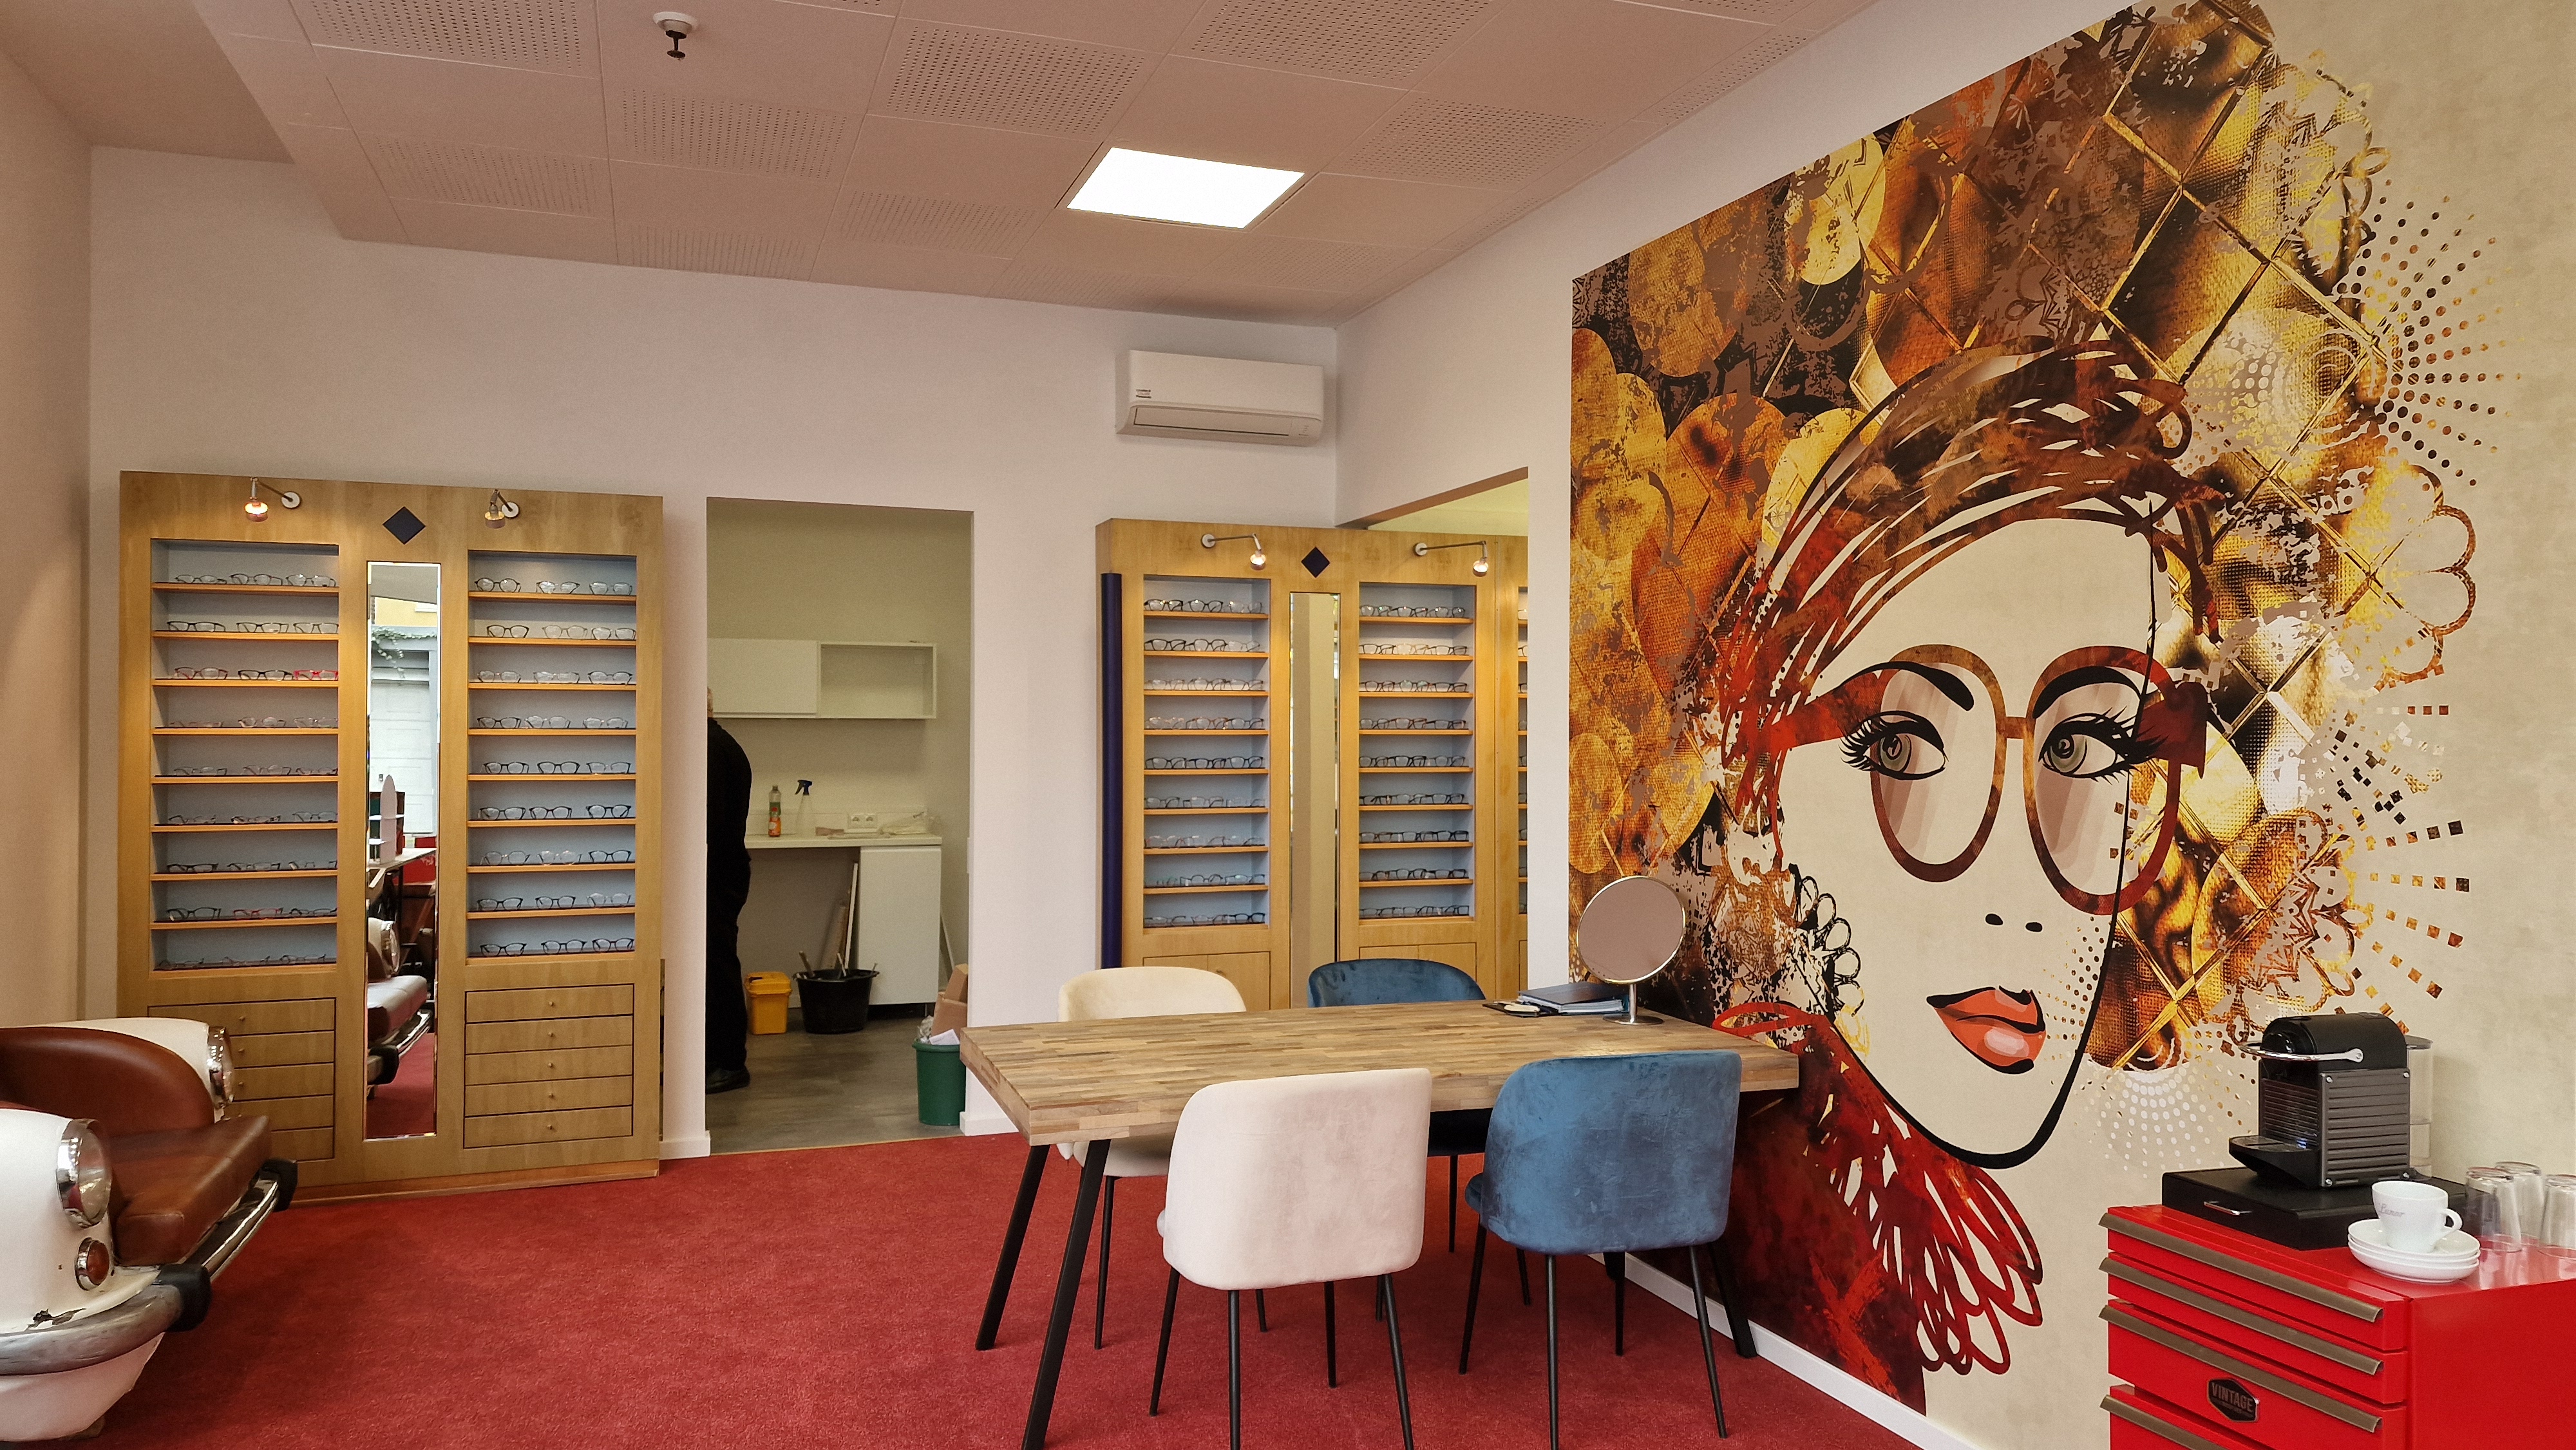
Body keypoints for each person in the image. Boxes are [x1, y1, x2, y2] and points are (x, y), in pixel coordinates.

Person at [706, 693, 753, 1095]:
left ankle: (729, 1063)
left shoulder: (711, 750)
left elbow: (711, 824)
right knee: (715, 965)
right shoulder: (722, 745)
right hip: (724, 870)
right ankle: (715, 1059)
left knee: (717, 967)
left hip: (716, 873)